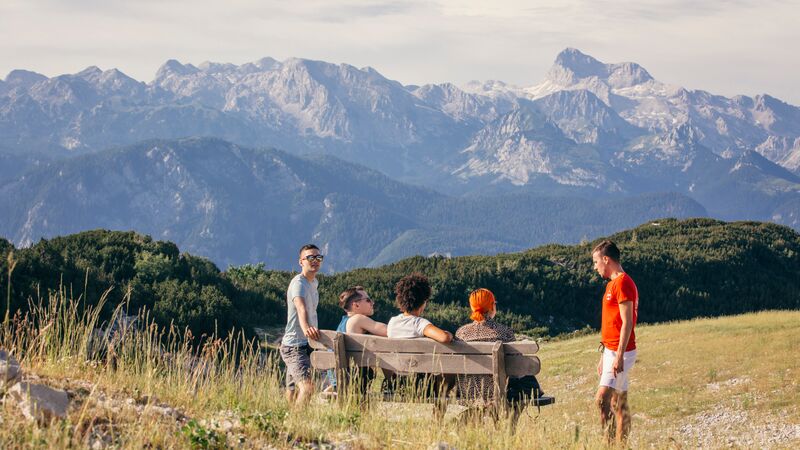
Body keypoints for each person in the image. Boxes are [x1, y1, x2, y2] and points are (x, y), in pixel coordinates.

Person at [455, 288, 544, 426]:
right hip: (498, 391)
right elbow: (516, 368)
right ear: (492, 307)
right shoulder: (503, 332)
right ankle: (509, 423)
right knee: (527, 384)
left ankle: (477, 416)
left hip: (468, 391)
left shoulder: (461, 333)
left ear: (472, 308)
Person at [592, 240, 639, 444]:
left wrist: (618, 356)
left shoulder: (622, 283)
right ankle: (621, 445)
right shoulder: (613, 283)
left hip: (622, 351)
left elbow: (627, 322)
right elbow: (612, 323)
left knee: (602, 399)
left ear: (606, 259)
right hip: (611, 351)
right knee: (619, 403)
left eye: (595, 262)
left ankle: (609, 444)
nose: (595, 267)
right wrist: (605, 355)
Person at [386, 273, 453, 408]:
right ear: (423, 303)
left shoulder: (393, 322)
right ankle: (438, 415)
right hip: (420, 382)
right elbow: (443, 337)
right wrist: (450, 334)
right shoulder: (419, 323)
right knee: (451, 370)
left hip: (398, 381)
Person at [279, 244, 323, 407]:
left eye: (318, 257)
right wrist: (306, 329)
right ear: (301, 262)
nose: (315, 261)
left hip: (307, 344)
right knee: (308, 388)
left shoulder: (314, 283)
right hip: (294, 345)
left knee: (292, 391)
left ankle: (285, 421)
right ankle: (297, 424)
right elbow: (301, 306)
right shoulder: (298, 283)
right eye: (310, 257)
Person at [324, 286, 388, 395]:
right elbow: (388, 331)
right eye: (368, 300)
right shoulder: (358, 319)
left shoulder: (343, 322)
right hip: (353, 377)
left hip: (337, 377)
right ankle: (392, 383)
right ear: (356, 305)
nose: (372, 303)